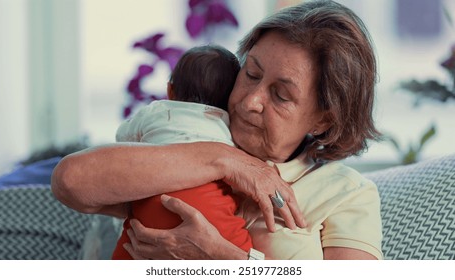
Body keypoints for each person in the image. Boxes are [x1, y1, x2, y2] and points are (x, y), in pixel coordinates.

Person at [52, 0, 383, 260]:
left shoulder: (345, 194)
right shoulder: (188, 141)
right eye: (251, 74)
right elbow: (70, 181)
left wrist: (224, 260)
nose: (251, 100)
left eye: (281, 95)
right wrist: (225, 160)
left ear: (323, 119)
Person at [111, 45, 253, 259]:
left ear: (170, 90)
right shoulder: (231, 128)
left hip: (151, 209)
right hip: (212, 216)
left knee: (130, 245)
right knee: (240, 249)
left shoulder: (156, 111)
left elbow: (122, 140)